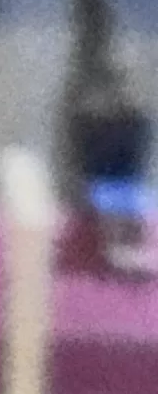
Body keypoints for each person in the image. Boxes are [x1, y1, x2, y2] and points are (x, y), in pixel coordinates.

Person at [67, 57, 156, 282]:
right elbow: (87, 159)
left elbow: (137, 157)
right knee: (111, 205)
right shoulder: (91, 121)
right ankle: (116, 252)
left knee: (133, 204)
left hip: (126, 182)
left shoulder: (135, 119)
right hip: (102, 182)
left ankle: (129, 252)